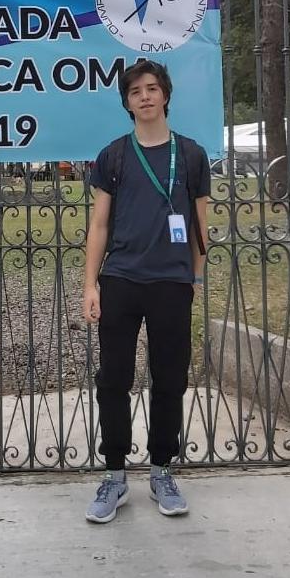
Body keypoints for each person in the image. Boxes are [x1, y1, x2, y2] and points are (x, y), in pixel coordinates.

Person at [82, 59, 210, 523]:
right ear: (127, 102)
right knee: (113, 380)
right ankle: (115, 475)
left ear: (165, 95)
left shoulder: (191, 155)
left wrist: (194, 278)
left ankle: (162, 470)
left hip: (171, 282)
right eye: (136, 91)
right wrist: (90, 284)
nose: (145, 97)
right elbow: (99, 224)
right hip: (121, 280)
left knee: (169, 379)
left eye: (152, 88)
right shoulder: (113, 155)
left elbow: (200, 224)